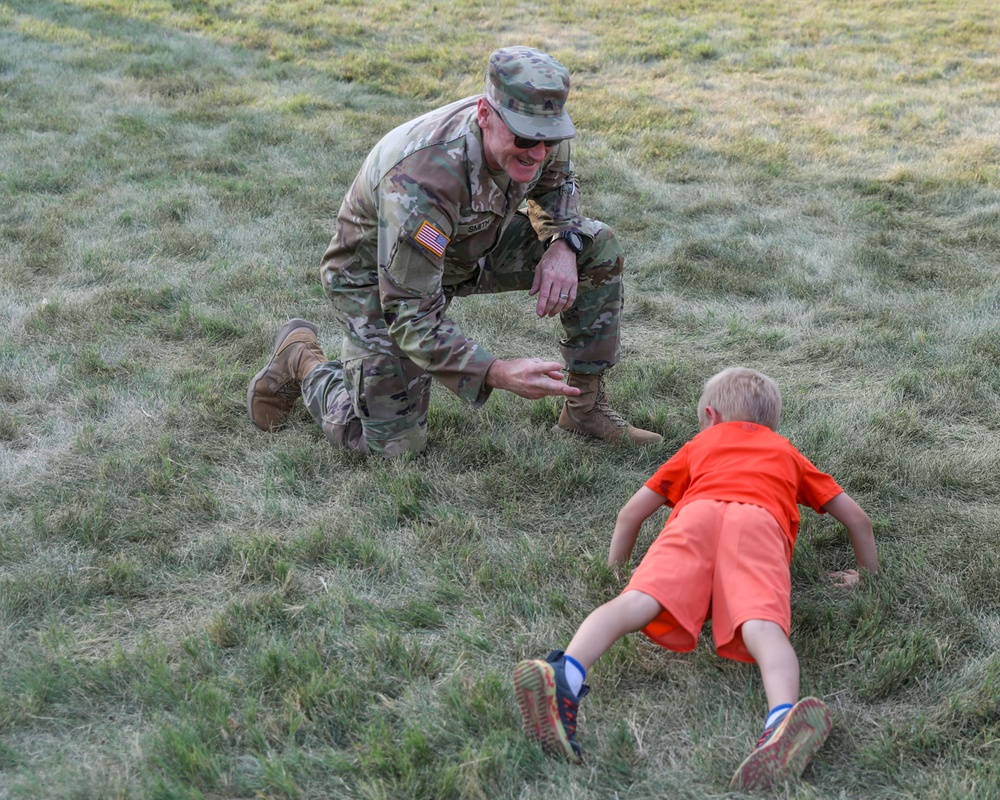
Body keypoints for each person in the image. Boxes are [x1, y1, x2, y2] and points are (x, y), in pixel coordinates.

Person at [246, 46, 662, 457]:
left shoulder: (539, 130)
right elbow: (410, 313)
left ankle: (584, 408)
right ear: (485, 114)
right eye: (526, 139)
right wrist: (496, 372)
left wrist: (563, 243)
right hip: (375, 280)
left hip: (468, 249)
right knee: (392, 447)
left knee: (595, 245)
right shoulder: (423, 179)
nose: (538, 152)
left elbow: (557, 185)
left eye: (550, 139)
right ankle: (303, 361)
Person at [513, 367, 879, 790]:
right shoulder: (786, 452)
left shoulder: (699, 444)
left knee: (634, 603)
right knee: (763, 626)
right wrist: (867, 576)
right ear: (771, 425)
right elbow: (857, 518)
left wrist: (618, 570)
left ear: (710, 415)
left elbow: (630, 512)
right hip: (759, 528)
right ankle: (780, 720)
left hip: (696, 517)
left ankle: (566, 673)